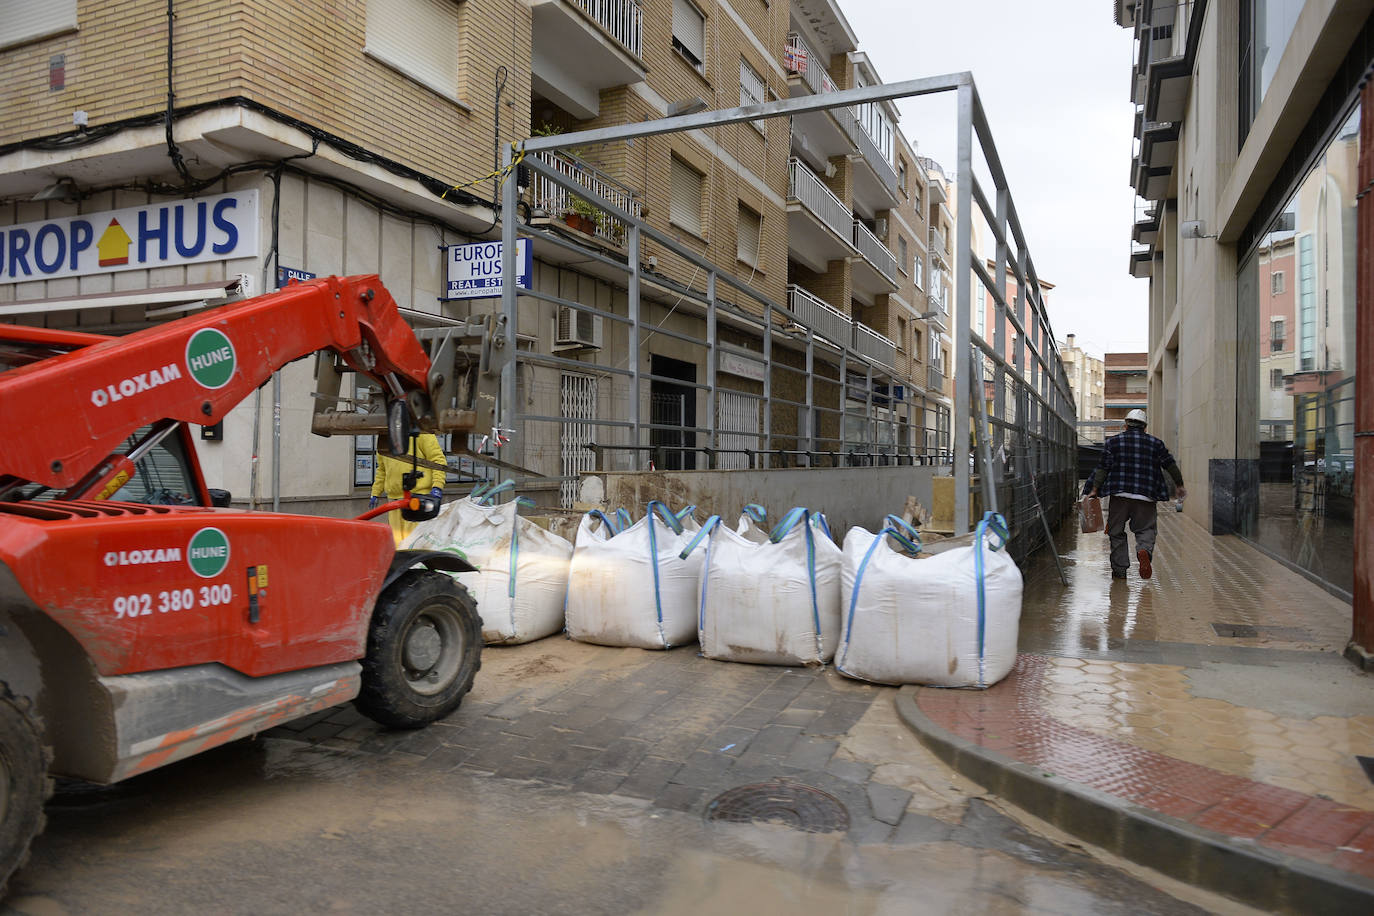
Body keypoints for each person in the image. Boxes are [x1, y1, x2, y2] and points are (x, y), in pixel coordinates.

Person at [1086, 409, 1185, 580]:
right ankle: (1143, 550)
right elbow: (1170, 465)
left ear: (1125, 425)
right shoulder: (1156, 443)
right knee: (1146, 529)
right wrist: (1180, 485)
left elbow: (1103, 468)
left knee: (1116, 532)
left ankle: (1120, 571)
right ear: (1145, 427)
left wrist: (1094, 490)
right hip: (1146, 495)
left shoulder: (1113, 443)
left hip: (1119, 495)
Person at [370, 432, 447, 541]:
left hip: (417, 501)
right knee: (397, 544)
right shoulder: (384, 439)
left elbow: (438, 460)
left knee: (415, 542)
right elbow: (382, 470)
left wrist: (437, 486)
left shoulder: (422, 433)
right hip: (394, 502)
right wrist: (375, 493)